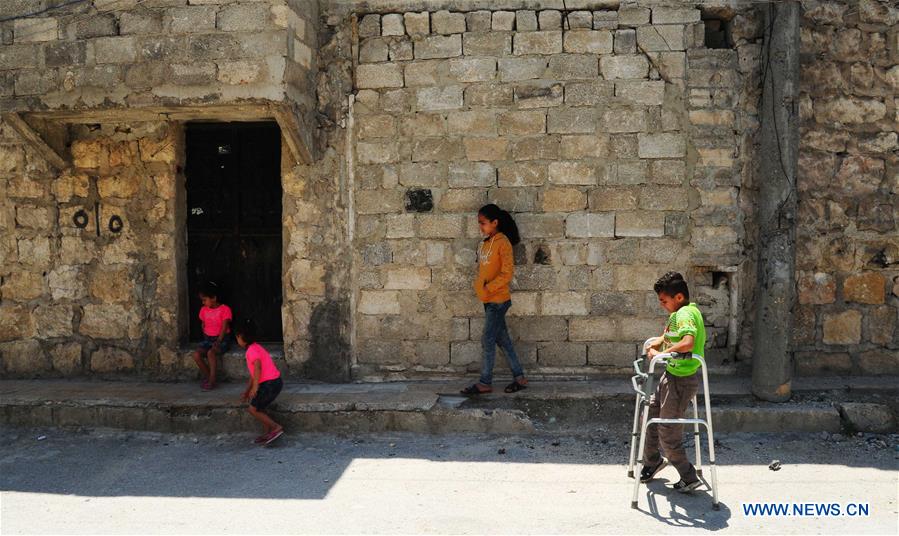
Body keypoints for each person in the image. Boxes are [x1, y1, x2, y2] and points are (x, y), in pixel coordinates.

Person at [640, 271, 707, 493]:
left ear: (678, 297)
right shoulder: (681, 313)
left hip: (681, 381)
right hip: (670, 376)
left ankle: (688, 476)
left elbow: (687, 342)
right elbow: (669, 335)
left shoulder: (685, 315)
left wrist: (663, 354)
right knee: (649, 416)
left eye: (664, 301)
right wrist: (657, 345)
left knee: (667, 431)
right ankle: (653, 461)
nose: (662, 305)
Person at [461, 204, 528, 396]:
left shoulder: (503, 242)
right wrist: (480, 287)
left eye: (483, 223)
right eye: (479, 223)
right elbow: (483, 270)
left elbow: (507, 273)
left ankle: (485, 382)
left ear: (495, 223)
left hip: (498, 300)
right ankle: (520, 378)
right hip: (488, 300)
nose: (480, 227)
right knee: (503, 340)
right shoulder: (485, 243)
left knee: (487, 339)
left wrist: (488, 288)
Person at [236, 320, 284, 446]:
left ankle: (276, 427)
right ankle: (268, 432)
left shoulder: (251, 351)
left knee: (253, 409)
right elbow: (253, 375)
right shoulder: (256, 347)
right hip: (274, 382)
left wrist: (255, 387)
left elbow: (257, 368)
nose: (237, 339)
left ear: (241, 337)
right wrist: (248, 391)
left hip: (269, 383)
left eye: (237, 337)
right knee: (260, 407)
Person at [193, 282, 232, 391]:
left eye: (205, 300)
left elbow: (224, 327)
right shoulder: (203, 310)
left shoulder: (225, 309)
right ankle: (209, 376)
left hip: (221, 339)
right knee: (196, 355)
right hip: (208, 339)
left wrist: (219, 340)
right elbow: (203, 324)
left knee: (211, 353)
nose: (203, 302)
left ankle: (212, 380)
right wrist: (205, 335)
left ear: (214, 298)